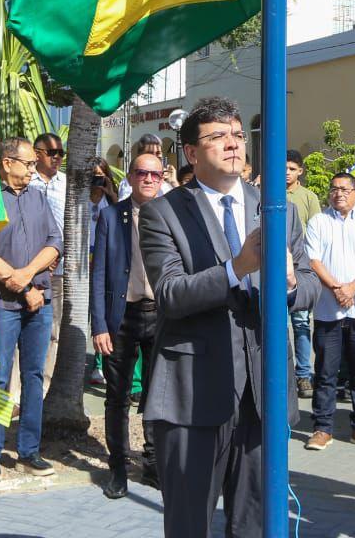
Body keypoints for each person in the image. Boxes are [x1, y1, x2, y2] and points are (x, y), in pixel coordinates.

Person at [138, 95, 317, 537]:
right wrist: (236, 268)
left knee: (255, 523)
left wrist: (289, 283)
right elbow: (170, 294)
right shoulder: (163, 212)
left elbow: (310, 285)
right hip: (192, 395)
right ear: (191, 152)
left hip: (263, 394)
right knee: (189, 523)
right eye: (218, 136)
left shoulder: (277, 209)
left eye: (238, 134)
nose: (234, 143)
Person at [0, 136, 63, 483]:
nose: (32, 169)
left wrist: (28, 276)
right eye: (27, 163)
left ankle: (29, 451)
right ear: (6, 163)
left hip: (40, 302)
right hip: (4, 303)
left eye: (33, 164)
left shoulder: (38, 198)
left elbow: (55, 242)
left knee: (34, 376)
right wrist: (24, 286)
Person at [92, 152, 164, 499]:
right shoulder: (111, 215)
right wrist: (99, 325)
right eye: (141, 173)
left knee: (157, 395)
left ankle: (153, 464)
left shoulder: (170, 215)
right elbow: (99, 274)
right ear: (131, 177)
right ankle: (118, 468)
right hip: (121, 317)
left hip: (161, 315)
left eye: (155, 174)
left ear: (162, 179)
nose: (148, 179)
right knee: (117, 397)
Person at [304, 172, 355, 451]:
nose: (338, 193)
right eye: (334, 189)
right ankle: (322, 428)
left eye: (344, 189)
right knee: (325, 371)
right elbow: (313, 260)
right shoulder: (319, 221)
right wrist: (337, 288)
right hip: (328, 308)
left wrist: (354, 286)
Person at [286, 150, 321, 398]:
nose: (286, 173)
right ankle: (282, 372)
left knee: (301, 324)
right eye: (283, 168)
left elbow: (316, 231)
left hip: (299, 266)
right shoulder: (266, 192)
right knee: (276, 325)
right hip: (273, 266)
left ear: (300, 171)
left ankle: (304, 374)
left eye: (291, 169)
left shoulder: (308, 197)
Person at [29, 132, 67, 233]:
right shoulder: (25, 180)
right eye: (52, 152)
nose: (57, 157)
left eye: (61, 153)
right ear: (37, 154)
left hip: (61, 242)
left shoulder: (68, 183)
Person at [119, 133, 172, 200]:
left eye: (158, 153)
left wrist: (174, 183)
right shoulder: (131, 179)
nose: (154, 157)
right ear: (139, 155)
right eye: (150, 153)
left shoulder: (167, 181)